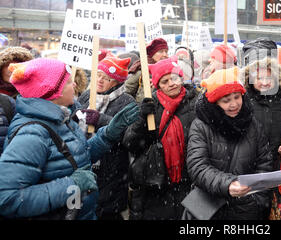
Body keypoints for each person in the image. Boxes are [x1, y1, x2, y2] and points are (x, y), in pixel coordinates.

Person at [0, 58, 139, 219]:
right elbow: (7, 198)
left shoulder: (60, 119)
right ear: (52, 92)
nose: (74, 85)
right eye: (68, 83)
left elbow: (77, 157)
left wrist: (107, 135)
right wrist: (72, 184)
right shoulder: (32, 134)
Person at [186, 66, 273, 220]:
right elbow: (197, 166)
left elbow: (264, 164)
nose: (234, 104)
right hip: (209, 208)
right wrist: (228, 184)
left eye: (237, 97)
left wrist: (257, 201)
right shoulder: (201, 126)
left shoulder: (252, 124)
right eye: (226, 100)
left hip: (246, 208)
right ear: (215, 102)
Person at [123, 57, 198, 220]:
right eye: (165, 81)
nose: (171, 83)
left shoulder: (196, 103)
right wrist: (142, 119)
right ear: (158, 86)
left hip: (189, 183)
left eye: (174, 78)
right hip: (156, 185)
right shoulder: (150, 106)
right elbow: (130, 142)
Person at [77, 54, 136, 220]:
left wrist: (100, 120)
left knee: (106, 211)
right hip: (84, 163)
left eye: (107, 78)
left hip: (112, 171)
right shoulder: (87, 95)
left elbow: (131, 135)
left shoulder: (127, 101)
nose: (100, 81)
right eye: (99, 75)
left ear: (116, 82)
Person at [125, 38, 169, 102]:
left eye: (166, 51)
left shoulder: (170, 70)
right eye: (161, 51)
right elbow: (127, 91)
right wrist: (136, 107)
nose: (165, 55)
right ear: (152, 54)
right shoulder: (143, 69)